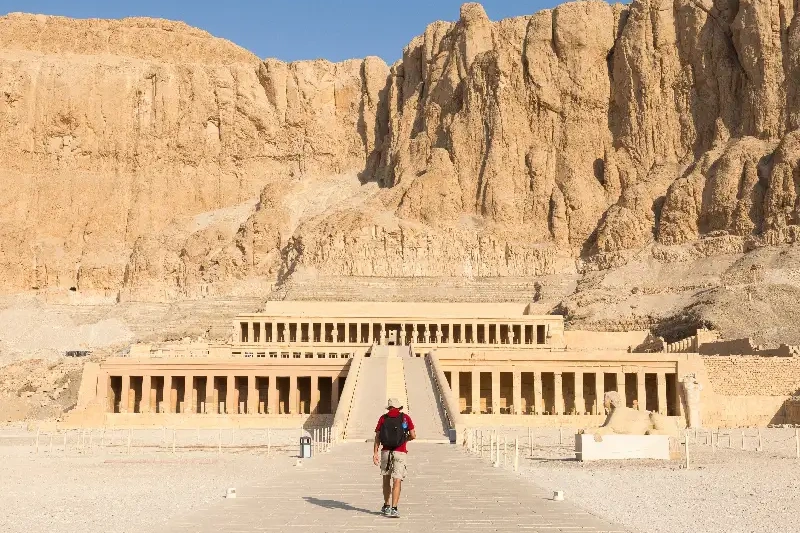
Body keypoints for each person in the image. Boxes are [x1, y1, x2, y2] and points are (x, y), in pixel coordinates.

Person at [373, 397, 415, 518]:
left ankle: (386, 506)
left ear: (389, 407)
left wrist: (375, 453)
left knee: (386, 479)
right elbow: (413, 435)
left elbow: (377, 437)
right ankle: (394, 508)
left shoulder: (383, 418)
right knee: (397, 479)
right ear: (399, 407)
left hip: (386, 451)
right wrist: (404, 440)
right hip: (400, 452)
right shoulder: (405, 418)